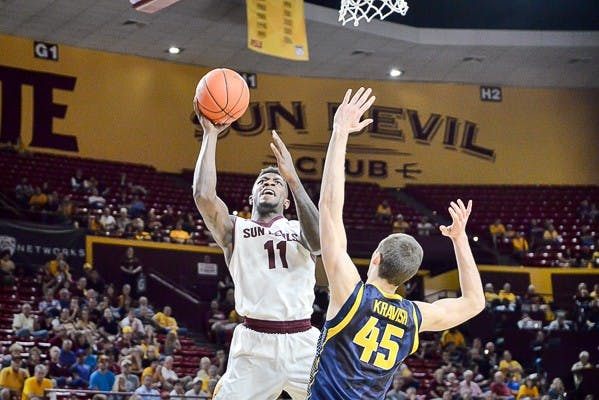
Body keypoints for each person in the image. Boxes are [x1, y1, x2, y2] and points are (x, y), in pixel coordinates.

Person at [307, 88, 485, 399]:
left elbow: (329, 207)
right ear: (408, 277)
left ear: (375, 258)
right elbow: (475, 302)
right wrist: (460, 239)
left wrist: (340, 133)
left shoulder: (351, 293)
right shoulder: (416, 317)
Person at [192, 107, 321, 400]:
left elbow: (319, 245)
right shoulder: (234, 229)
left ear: (286, 201)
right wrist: (210, 135)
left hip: (303, 341)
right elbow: (203, 196)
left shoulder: (299, 227)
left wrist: (294, 180)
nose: (269, 183)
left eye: (276, 183)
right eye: (263, 182)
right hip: (254, 344)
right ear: (251, 197)